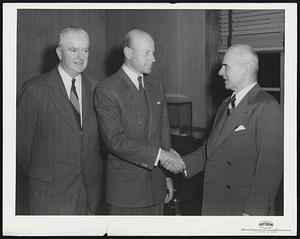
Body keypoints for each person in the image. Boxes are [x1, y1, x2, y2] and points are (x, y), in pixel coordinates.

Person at [175, 44, 283, 215]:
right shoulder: (225, 104)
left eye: (226, 67)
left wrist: (251, 215)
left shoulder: (267, 106)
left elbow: (269, 171)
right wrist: (180, 163)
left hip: (241, 209)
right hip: (215, 203)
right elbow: (211, 150)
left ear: (246, 69)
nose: (220, 72)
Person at [94, 29, 185, 215]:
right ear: (128, 53)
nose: (153, 59)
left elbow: (163, 135)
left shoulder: (155, 86)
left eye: (153, 52)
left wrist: (167, 178)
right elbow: (115, 140)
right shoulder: (107, 89)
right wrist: (162, 157)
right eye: (147, 53)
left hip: (156, 186)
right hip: (127, 192)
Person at [16, 26, 103, 215]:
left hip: (89, 193)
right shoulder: (34, 89)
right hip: (49, 193)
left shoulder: (98, 89)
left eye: (85, 50)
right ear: (59, 52)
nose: (81, 56)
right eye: (73, 50)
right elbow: (21, 147)